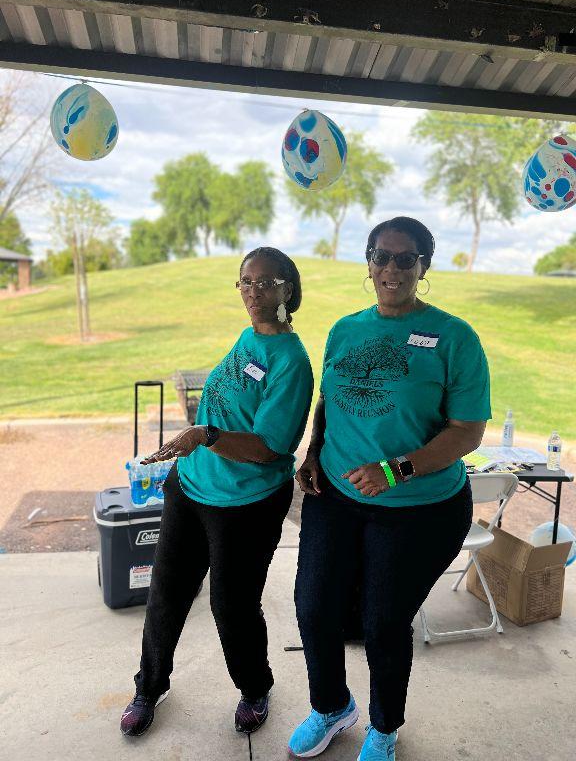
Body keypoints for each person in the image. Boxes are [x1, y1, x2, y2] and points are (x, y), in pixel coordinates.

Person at [288, 217, 491, 761]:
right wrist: (312, 452)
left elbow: (467, 431)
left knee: (381, 621)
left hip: (418, 507)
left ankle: (383, 726)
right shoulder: (345, 330)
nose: (392, 269)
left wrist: (396, 470)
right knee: (313, 605)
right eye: (382, 256)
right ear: (369, 261)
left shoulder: (454, 338)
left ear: (424, 266)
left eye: (406, 259)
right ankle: (332, 707)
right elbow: (329, 400)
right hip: (336, 496)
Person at [120, 247, 313, 738]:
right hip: (191, 486)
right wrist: (198, 443)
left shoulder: (290, 360)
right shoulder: (248, 338)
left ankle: (255, 688)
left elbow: (271, 449)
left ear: (287, 289)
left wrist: (204, 435)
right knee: (165, 592)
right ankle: (149, 686)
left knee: (231, 605)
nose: (253, 291)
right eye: (246, 281)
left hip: (245, 505)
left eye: (266, 282)